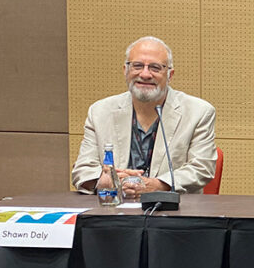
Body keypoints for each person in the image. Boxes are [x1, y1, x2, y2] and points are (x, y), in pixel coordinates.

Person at [71, 36, 217, 198]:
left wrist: (158, 185)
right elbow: (83, 169)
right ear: (125, 71)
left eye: (155, 68)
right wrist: (104, 181)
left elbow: (202, 168)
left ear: (170, 75)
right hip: (113, 210)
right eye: (137, 66)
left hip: (170, 212)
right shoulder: (100, 111)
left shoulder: (198, 112)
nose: (145, 74)